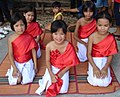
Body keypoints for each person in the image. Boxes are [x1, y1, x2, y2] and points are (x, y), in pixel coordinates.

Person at [35, 20, 80, 96]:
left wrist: (62, 72)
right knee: (47, 87)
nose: (58, 37)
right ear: (52, 34)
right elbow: (48, 61)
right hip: (52, 68)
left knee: (62, 90)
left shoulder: (69, 46)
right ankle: (45, 79)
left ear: (65, 34)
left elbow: (71, 62)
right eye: (55, 34)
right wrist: (52, 74)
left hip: (64, 68)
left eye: (61, 34)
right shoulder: (49, 46)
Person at [87, 11, 118, 87]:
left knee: (105, 83)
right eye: (100, 25)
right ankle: (89, 71)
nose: (102, 28)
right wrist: (94, 67)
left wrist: (105, 68)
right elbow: (88, 54)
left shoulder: (111, 38)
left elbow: (110, 55)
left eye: (106, 25)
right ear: (96, 24)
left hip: (105, 60)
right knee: (94, 82)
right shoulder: (92, 37)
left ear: (110, 25)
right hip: (93, 60)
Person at [6, 12, 38, 85]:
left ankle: (24, 72)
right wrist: (14, 68)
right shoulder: (10, 39)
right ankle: (14, 71)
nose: (20, 28)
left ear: (25, 25)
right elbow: (10, 54)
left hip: (27, 61)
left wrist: (35, 65)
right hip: (17, 62)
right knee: (14, 82)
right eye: (17, 26)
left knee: (27, 81)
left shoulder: (29, 37)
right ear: (12, 26)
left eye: (22, 25)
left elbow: (33, 52)